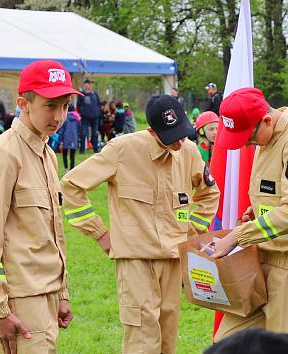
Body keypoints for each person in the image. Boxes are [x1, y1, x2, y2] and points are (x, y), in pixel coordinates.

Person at [61, 95, 219, 354]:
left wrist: (194, 229)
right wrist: (100, 234)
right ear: (151, 131)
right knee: (142, 340)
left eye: (182, 133)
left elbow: (210, 192)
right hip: (136, 261)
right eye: (171, 137)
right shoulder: (121, 150)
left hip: (173, 260)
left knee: (167, 337)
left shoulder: (189, 151)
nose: (179, 142)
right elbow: (71, 186)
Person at [0, 60, 79, 354]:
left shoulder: (48, 154)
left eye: (65, 106)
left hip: (48, 293)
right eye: (50, 106)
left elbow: (53, 232)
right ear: (23, 104)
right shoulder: (3, 155)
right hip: (21, 297)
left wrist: (61, 292)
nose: (59, 116)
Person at [210, 87, 288, 341]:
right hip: (262, 259)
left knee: (285, 348)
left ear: (266, 120)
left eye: (249, 139)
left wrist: (238, 235)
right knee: (226, 343)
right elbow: (277, 194)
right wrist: (255, 211)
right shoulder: (266, 137)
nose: (248, 145)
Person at [76, 78, 101, 153]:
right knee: (83, 133)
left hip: (95, 117)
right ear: (85, 85)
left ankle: (96, 149)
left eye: (91, 84)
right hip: (85, 118)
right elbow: (78, 105)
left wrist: (97, 112)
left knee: (94, 134)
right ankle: (82, 149)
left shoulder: (95, 94)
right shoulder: (81, 94)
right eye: (89, 83)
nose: (90, 85)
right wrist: (82, 113)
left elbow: (99, 104)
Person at [58, 104, 81, 173]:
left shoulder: (65, 118)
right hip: (74, 139)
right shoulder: (77, 118)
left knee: (64, 154)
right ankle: (72, 170)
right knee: (72, 156)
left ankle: (65, 169)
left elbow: (62, 130)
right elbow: (79, 129)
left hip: (65, 139)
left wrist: (60, 141)